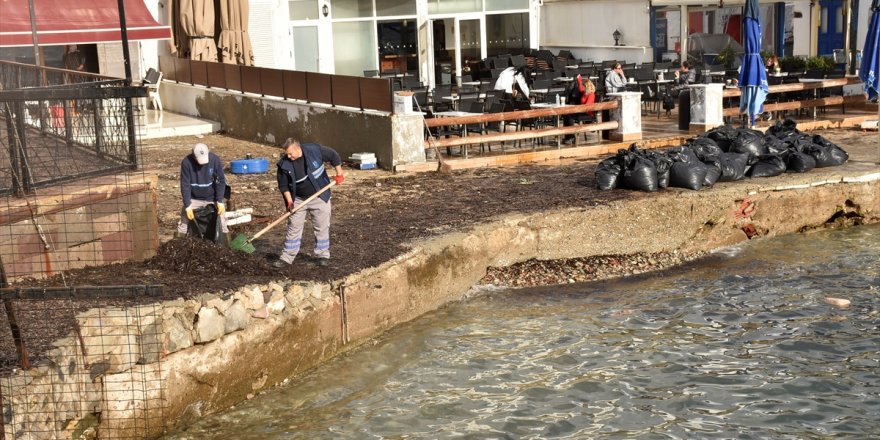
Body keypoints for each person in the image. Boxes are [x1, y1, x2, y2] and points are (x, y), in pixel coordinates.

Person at [274, 138, 345, 268]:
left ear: (298, 148)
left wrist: (339, 173)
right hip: (298, 199)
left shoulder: (314, 150)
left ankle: (323, 255)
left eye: (290, 153)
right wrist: (290, 201)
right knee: (293, 227)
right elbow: (283, 186)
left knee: (321, 226)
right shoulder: (284, 164)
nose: (288, 156)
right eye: (287, 154)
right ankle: (287, 257)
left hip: (319, 196)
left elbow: (333, 155)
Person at [177, 143, 228, 243]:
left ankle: (226, 246)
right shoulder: (186, 163)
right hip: (194, 198)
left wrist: (219, 200)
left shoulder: (215, 160)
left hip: (212, 198)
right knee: (183, 224)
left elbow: (220, 181)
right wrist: (187, 205)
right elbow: (185, 185)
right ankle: (177, 244)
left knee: (222, 224)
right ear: (194, 156)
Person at [562, 74, 596, 145]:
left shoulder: (591, 94)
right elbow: (580, 88)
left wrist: (578, 108)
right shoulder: (585, 93)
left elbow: (587, 106)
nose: (582, 88)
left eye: (584, 86)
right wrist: (579, 80)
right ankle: (568, 136)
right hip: (582, 111)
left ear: (587, 87)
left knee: (570, 117)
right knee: (566, 115)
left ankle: (571, 137)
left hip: (587, 113)